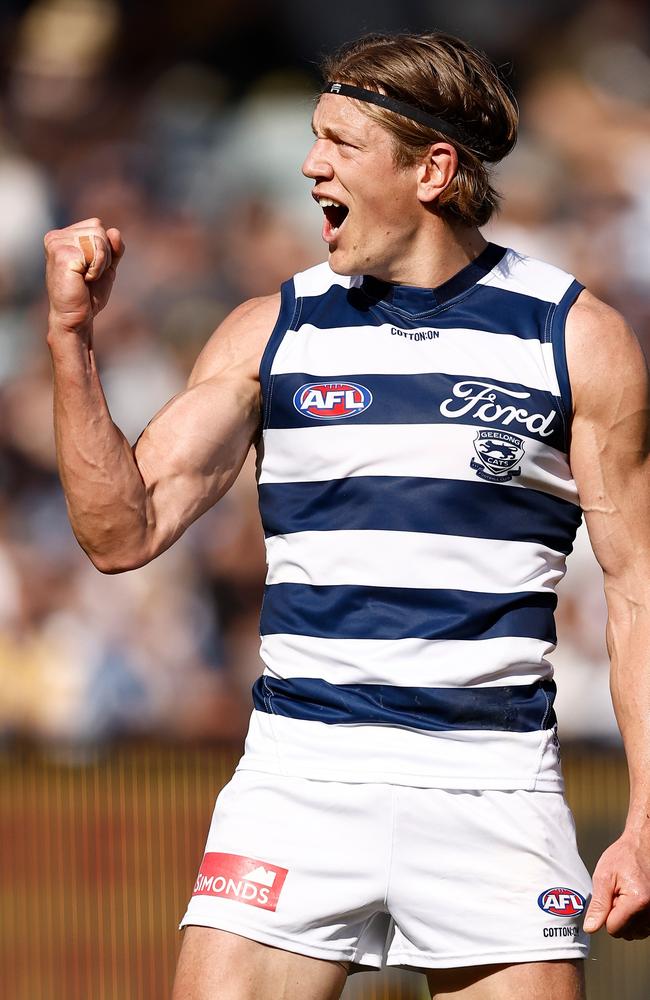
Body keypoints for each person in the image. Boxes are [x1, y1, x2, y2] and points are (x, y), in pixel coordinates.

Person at [44, 30, 650, 1000]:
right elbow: (122, 532)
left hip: (489, 785)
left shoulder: (570, 335)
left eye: (338, 142)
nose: (307, 164)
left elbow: (635, 594)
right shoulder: (270, 330)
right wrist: (72, 340)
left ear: (431, 169)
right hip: (299, 778)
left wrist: (647, 818)